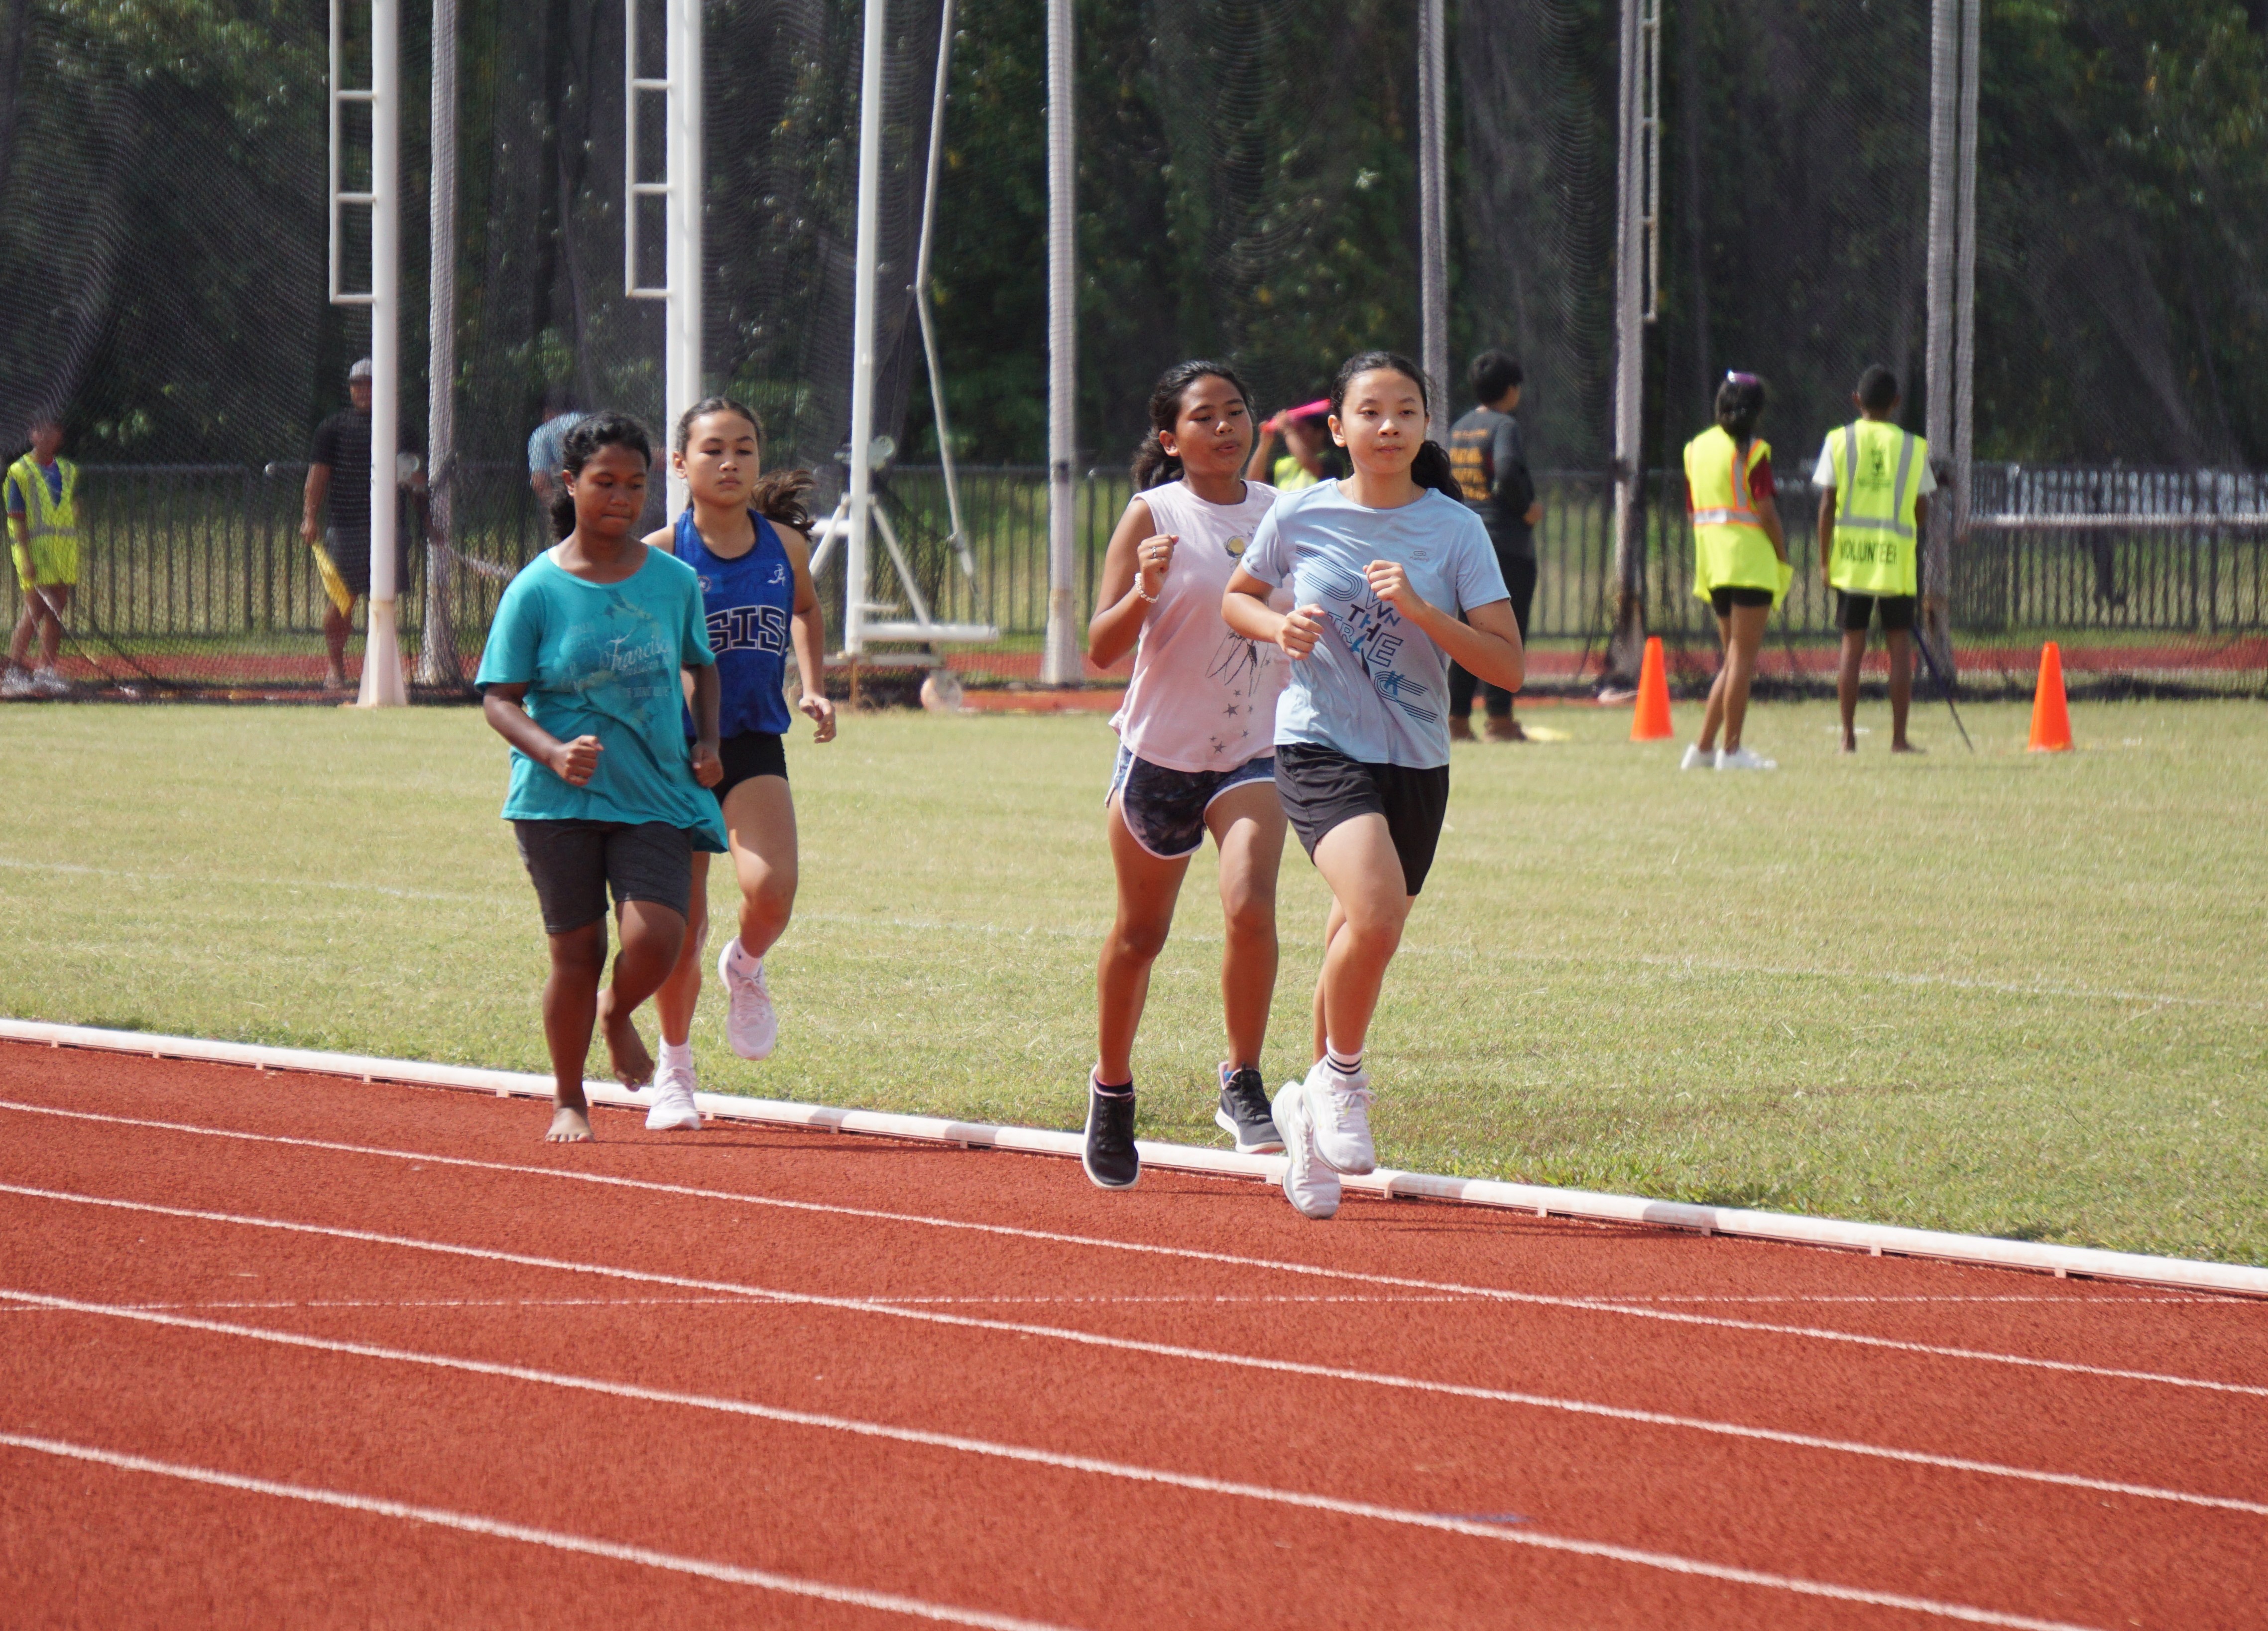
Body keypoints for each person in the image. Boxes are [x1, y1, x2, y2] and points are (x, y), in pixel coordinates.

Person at [1223, 351, 1524, 1220]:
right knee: (1379, 912)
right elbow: (1235, 601)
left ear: (1426, 425)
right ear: (1339, 427)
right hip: (1320, 745)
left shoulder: (1455, 532)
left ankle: (1307, 1128)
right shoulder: (1301, 512)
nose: (1388, 427)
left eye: (1405, 411)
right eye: (1371, 411)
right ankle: (1344, 1078)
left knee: (1356, 930)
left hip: (1418, 758)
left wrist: (1426, 615)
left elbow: (1506, 664)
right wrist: (1280, 626)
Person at [475, 412, 725, 1142]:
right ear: (569, 484)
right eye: (604, 482)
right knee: (575, 950)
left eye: (635, 484)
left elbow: (701, 664)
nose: (621, 497)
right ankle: (567, 1098)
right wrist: (551, 752)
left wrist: (707, 738)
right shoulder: (535, 589)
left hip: (654, 789)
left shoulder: (673, 581)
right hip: (558, 800)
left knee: (660, 935)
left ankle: (616, 1013)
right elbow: (498, 698)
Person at [1080, 361, 1292, 1189]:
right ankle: (1112, 1088)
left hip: (1253, 751)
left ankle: (1241, 1079)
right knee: (1141, 936)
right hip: (1160, 755)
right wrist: (1144, 591)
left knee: (1249, 906)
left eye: (1237, 412)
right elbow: (1098, 648)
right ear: (1172, 439)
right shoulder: (1153, 514)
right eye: (1205, 418)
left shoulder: (1284, 513)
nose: (1226, 428)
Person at [646, 398, 837, 1131]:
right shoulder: (660, 552)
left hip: (752, 736)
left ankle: (746, 967)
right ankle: (676, 1070)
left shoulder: (783, 545)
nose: (730, 462)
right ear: (680, 462)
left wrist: (812, 684)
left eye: (745, 449)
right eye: (713, 449)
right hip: (674, 750)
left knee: (772, 890)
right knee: (681, 924)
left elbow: (808, 610)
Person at [1815, 365, 1932, 754]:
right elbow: (1921, 507)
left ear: (1855, 401)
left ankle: (1847, 738)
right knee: (1899, 647)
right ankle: (1898, 739)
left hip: (1850, 561)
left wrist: (1823, 561)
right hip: (1895, 561)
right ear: (1896, 403)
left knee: (1852, 647)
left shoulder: (1838, 440)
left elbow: (1827, 504)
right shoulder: (1913, 446)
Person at [1680, 372, 1791, 772]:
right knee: (1741, 659)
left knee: (1731, 660)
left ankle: (1702, 749)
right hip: (1750, 563)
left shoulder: (1694, 449)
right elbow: (1766, 513)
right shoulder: (1754, 451)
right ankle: (1732, 751)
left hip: (1713, 564)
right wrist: (1782, 556)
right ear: (1757, 412)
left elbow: (1693, 510)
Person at [301, 357, 426, 692]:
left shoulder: (402, 426)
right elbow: (318, 475)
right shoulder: (334, 427)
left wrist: (425, 515)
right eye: (358, 384)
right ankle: (336, 668)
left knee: (385, 599)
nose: (363, 390)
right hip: (346, 525)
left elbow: (415, 476)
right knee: (344, 600)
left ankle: (382, 670)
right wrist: (309, 517)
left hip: (390, 526)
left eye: (370, 383)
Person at [1446, 351, 1543, 742]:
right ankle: (1500, 720)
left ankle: (1456, 720)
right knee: (1507, 635)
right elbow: (1505, 471)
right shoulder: (1504, 426)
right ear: (1511, 389)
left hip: (1466, 543)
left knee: (1466, 635)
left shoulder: (1459, 428)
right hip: (1505, 542)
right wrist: (1525, 509)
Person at [4, 415, 77, 698]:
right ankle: (12, 672)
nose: (50, 435)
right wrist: (24, 557)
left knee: (56, 613)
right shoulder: (19, 472)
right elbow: (16, 517)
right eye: (43, 430)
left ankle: (46, 671)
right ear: (33, 434)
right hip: (35, 555)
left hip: (63, 555)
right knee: (33, 613)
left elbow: (69, 509)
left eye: (55, 430)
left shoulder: (68, 470)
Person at [1245, 401, 1330, 493]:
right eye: (1294, 430)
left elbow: (1311, 465)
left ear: (1320, 434)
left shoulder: (1332, 461)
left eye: (1300, 429)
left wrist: (1288, 431)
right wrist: (1264, 444)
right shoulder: (1283, 465)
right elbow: (1253, 483)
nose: (1295, 435)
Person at [527, 386, 591, 506]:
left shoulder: (543, 433)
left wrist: (558, 510)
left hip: (576, 499)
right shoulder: (594, 422)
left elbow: (540, 482)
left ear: (548, 412)